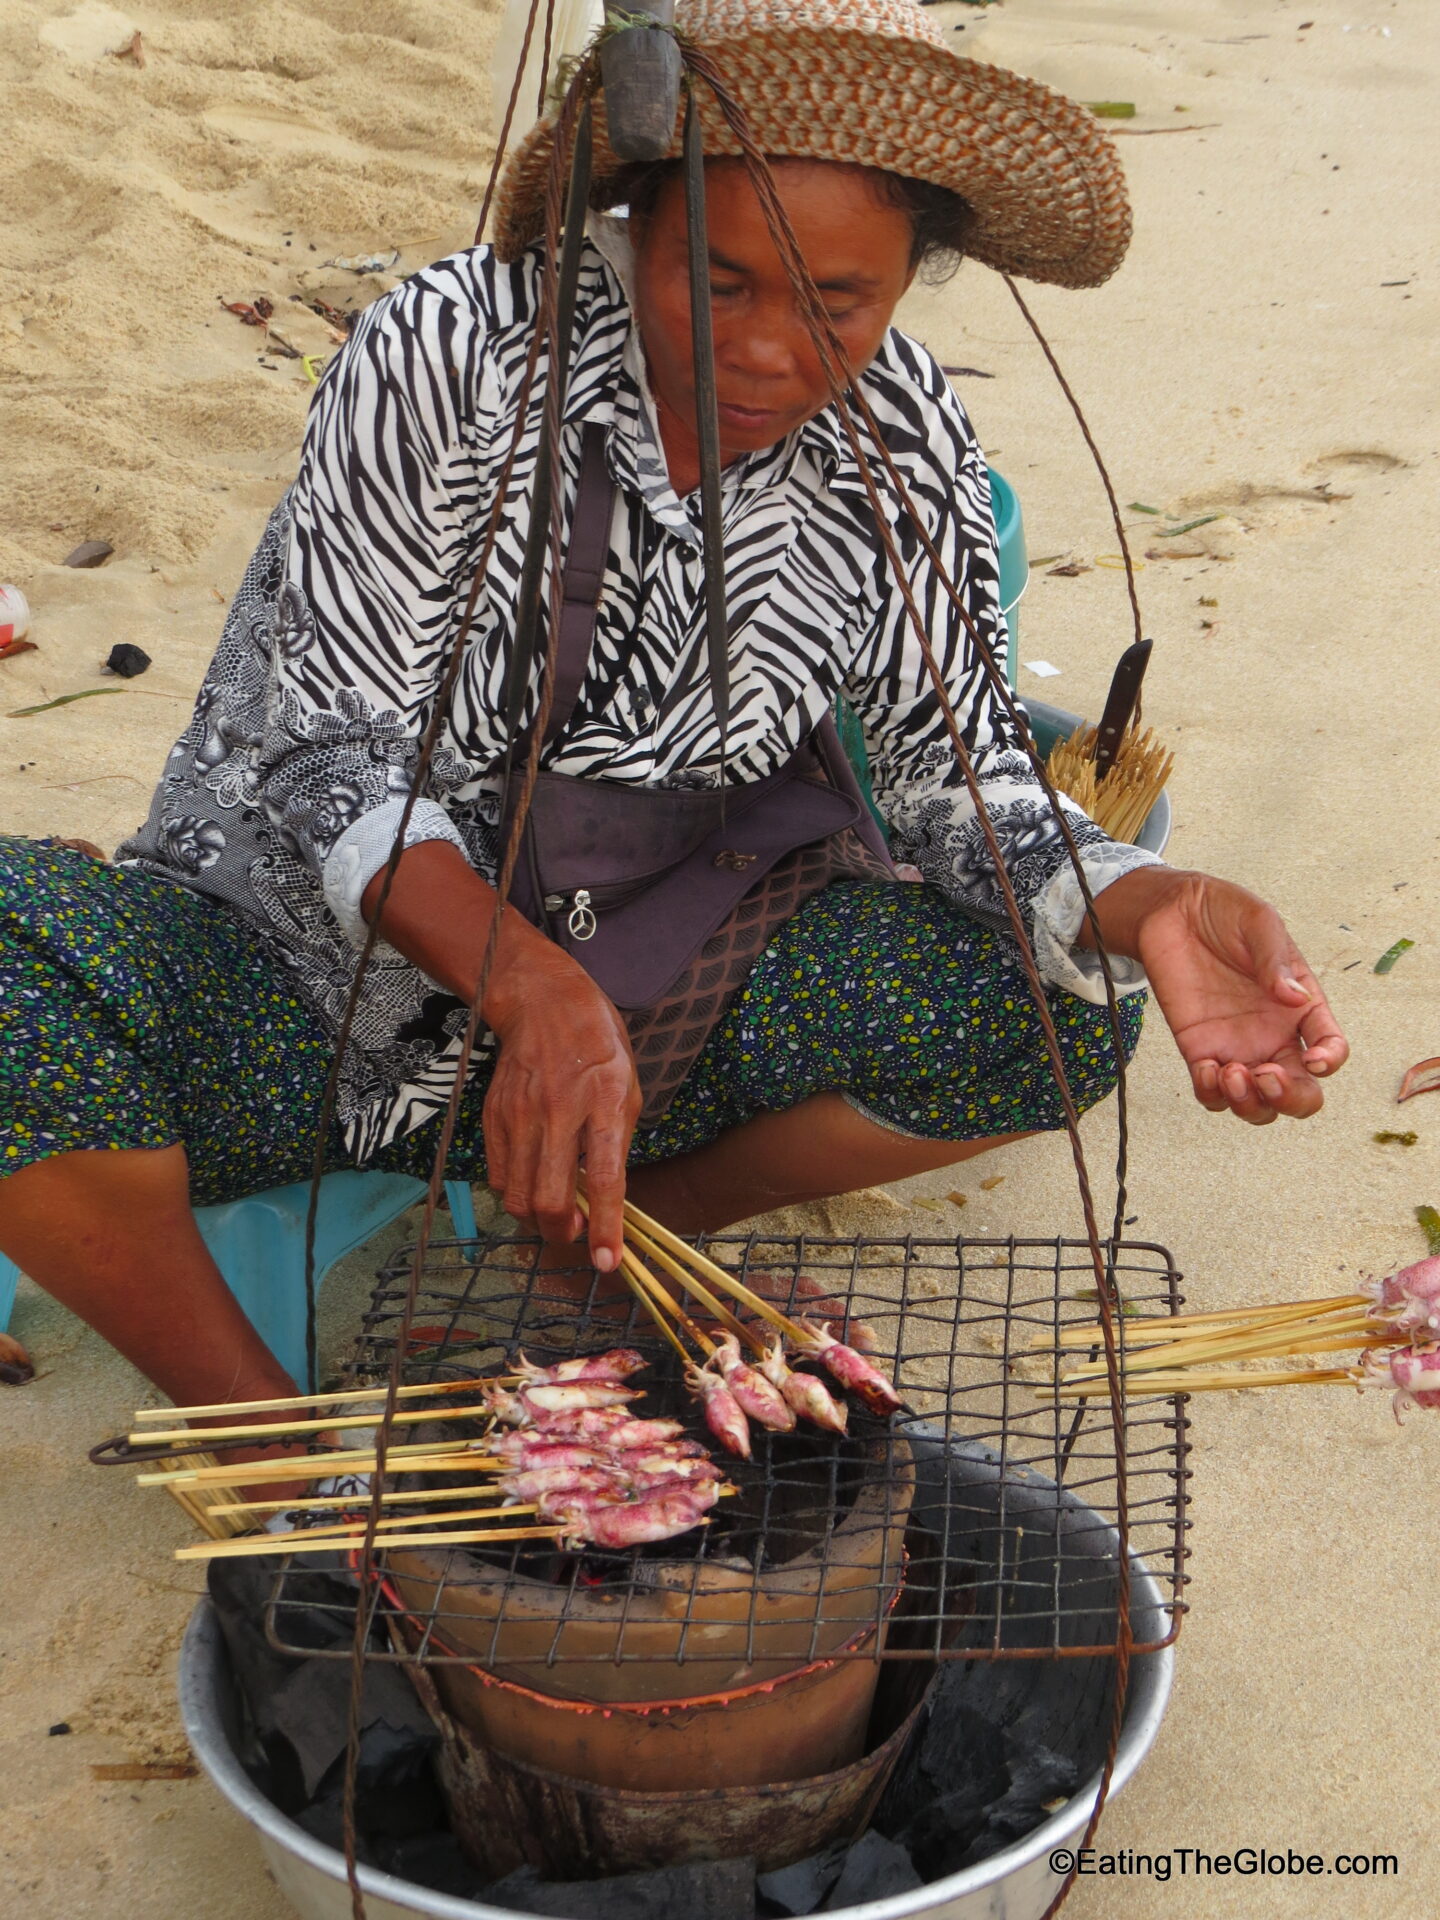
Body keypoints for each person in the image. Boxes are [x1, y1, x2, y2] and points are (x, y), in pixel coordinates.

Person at [0, 0, 1347, 1433]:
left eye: (837, 303)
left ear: (909, 281)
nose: (763, 350)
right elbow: (331, 754)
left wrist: (1145, 900)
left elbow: (952, 781)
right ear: (631, 218)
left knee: (1056, 1014)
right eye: (716, 277)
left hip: (653, 1016)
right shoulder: (455, 351)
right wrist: (528, 988)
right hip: (306, 993)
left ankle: (593, 1236)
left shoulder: (907, 447)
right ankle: (270, 1442)